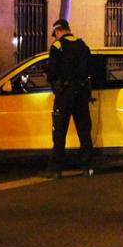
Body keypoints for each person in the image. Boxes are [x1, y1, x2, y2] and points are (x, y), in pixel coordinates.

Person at [45, 19, 94, 177]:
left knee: (59, 132)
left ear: (58, 31)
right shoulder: (82, 45)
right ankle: (87, 167)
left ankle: (56, 169)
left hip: (64, 95)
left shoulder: (58, 46)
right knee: (84, 131)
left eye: (56, 34)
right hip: (80, 94)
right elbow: (89, 68)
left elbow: (51, 72)